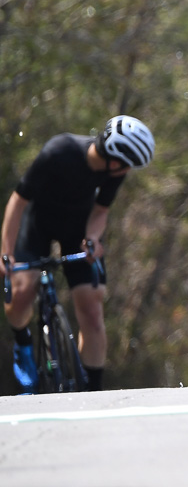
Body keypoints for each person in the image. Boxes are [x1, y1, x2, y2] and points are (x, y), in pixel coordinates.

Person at [1, 115, 155, 393]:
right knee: (22, 293)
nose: (127, 172)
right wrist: (6, 253)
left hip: (78, 231)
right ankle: (22, 340)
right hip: (37, 226)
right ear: (114, 159)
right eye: (128, 166)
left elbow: (101, 211)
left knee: (93, 309)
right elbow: (18, 200)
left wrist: (93, 239)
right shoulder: (58, 152)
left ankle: (93, 390)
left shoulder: (113, 172)